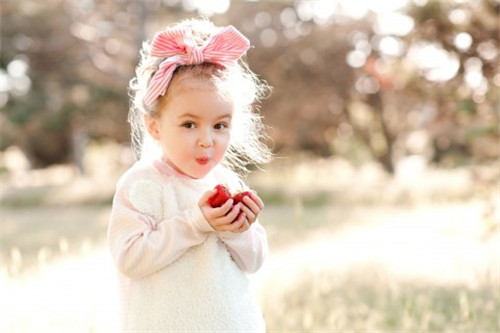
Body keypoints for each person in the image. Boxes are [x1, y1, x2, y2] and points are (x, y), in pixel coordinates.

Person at [107, 17, 272, 332]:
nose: (207, 140)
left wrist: (239, 231)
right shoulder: (143, 184)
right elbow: (129, 258)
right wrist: (195, 223)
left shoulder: (228, 183)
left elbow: (254, 261)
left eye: (220, 125)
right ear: (154, 126)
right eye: (189, 124)